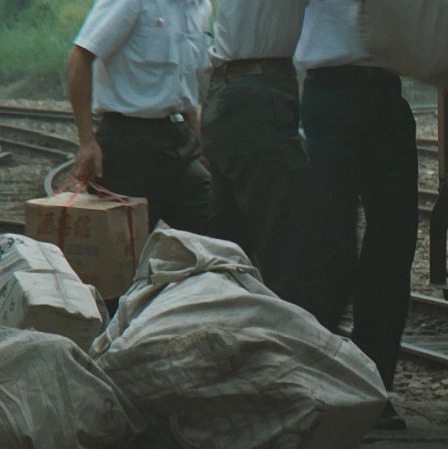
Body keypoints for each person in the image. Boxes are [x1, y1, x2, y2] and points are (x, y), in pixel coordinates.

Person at [296, 0, 419, 431]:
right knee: (333, 247)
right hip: (331, 92)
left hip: (387, 92)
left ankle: (372, 391)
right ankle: (319, 387)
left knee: (394, 243)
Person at [201, 0, 323, 312]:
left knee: (229, 238)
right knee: (289, 236)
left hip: (232, 91)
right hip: (258, 90)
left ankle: (227, 324)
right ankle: (287, 330)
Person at [68, 0, 212, 236]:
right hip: (129, 144)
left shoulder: (201, 7)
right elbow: (80, 57)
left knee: (214, 231)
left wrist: (199, 141)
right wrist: (87, 141)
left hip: (180, 140)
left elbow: (185, 88)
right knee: (127, 244)